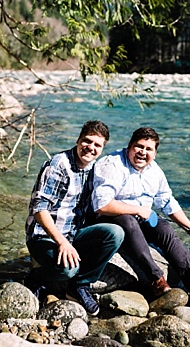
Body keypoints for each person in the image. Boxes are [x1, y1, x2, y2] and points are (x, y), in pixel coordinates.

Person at [91, 126, 190, 300]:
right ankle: (157, 280)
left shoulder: (154, 170)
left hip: (140, 218)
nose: (143, 152)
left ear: (155, 153)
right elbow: (102, 205)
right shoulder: (112, 164)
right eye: (139, 147)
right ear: (129, 146)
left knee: (165, 229)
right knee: (128, 222)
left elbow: (167, 202)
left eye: (149, 149)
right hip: (109, 219)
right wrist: (138, 210)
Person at [24, 120, 125, 316]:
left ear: (103, 148)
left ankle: (80, 285)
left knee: (115, 233)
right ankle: (35, 278)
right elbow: (39, 209)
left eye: (97, 145)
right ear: (78, 140)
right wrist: (62, 242)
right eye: (87, 141)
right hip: (43, 236)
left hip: (74, 233)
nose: (91, 148)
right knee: (67, 269)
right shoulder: (59, 164)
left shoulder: (94, 168)